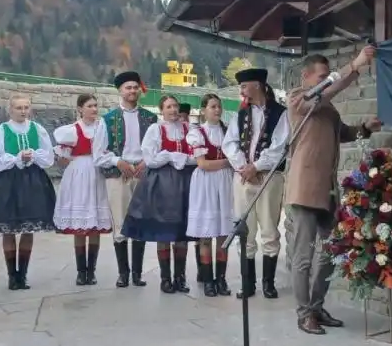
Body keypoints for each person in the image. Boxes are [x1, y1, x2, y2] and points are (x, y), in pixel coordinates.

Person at [285, 49, 380, 334]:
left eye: (327, 77)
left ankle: (315, 307)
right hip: (304, 189)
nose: (327, 81)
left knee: (330, 251)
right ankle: (304, 315)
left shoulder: (327, 108)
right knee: (303, 256)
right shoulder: (298, 99)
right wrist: (355, 65)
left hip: (326, 190)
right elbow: (330, 89)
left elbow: (344, 133)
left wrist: (365, 127)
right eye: (322, 77)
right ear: (306, 77)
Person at [0, 93, 58, 290]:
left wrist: (33, 156)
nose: (23, 111)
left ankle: (23, 274)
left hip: (32, 181)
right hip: (8, 180)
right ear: (10, 110)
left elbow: (48, 156)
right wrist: (16, 158)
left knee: (29, 228)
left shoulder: (37, 129)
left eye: (26, 107)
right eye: (19, 108)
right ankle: (12, 275)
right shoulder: (2, 130)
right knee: (9, 228)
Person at [222, 67, 289, 299]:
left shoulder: (281, 113)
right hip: (243, 178)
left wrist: (257, 167)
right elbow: (229, 143)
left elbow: (279, 147)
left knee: (270, 229)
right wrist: (244, 166)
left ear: (257, 85)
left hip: (269, 178)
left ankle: (268, 283)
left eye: (244, 86)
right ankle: (248, 284)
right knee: (244, 230)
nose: (242, 91)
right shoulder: (240, 115)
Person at [121, 95, 194, 294]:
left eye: (175, 106)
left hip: (185, 182)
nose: (173, 110)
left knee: (182, 230)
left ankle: (180, 277)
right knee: (164, 230)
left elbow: (197, 156)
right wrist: (169, 156)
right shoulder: (156, 129)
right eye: (168, 106)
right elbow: (150, 159)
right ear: (162, 110)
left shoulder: (189, 129)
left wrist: (181, 158)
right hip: (162, 183)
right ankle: (165, 278)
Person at [94, 71, 158, 288]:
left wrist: (146, 162)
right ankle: (123, 273)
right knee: (120, 223)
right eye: (128, 88)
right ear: (120, 91)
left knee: (139, 221)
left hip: (142, 173)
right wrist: (118, 161)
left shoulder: (150, 118)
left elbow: (158, 147)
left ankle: (137, 274)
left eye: (135, 87)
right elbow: (99, 153)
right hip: (118, 175)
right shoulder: (107, 119)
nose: (132, 91)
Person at [52, 93, 113, 286]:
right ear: (80, 109)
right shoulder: (72, 130)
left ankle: (91, 270)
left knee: (94, 223)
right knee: (80, 226)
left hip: (97, 173)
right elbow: (63, 159)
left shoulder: (102, 128)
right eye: (90, 106)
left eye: (96, 105)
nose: (94, 109)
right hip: (78, 173)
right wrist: (61, 156)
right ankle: (81, 271)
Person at [186, 93, 234, 297]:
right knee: (206, 234)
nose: (217, 110)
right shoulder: (197, 133)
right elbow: (203, 164)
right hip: (205, 183)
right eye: (213, 106)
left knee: (223, 234)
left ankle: (220, 279)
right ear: (203, 110)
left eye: (219, 106)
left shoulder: (228, 132)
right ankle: (207, 280)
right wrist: (227, 162)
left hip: (224, 182)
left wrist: (225, 164)